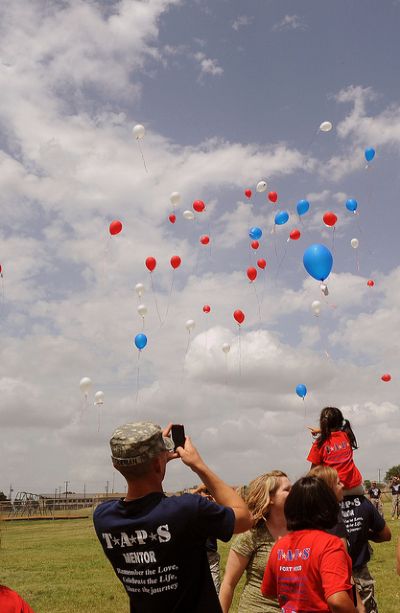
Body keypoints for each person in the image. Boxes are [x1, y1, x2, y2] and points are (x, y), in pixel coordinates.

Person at [93, 421, 252, 613]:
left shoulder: (104, 518)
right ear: (158, 465)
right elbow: (244, 518)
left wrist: (155, 461)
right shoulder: (187, 509)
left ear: (116, 465)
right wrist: (198, 465)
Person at [261, 476, 356, 613]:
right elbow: (338, 600)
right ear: (328, 506)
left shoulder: (280, 546)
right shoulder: (330, 545)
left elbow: (268, 591)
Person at [219, 470, 291, 612]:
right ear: (270, 498)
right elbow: (228, 583)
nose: (293, 492)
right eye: (287, 489)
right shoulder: (252, 535)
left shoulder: (301, 531)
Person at [340, 491, 391, 613]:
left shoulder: (321, 505)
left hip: (332, 575)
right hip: (359, 573)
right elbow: (386, 535)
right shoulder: (363, 502)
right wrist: (364, 533)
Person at [307, 406, 363, 494]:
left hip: (334, 489)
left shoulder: (319, 443)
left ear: (323, 422)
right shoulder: (346, 435)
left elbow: (313, 472)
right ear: (340, 422)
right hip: (356, 487)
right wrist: (320, 430)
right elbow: (340, 429)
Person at [191, 484, 221, 593]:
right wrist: (198, 491)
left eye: (208, 492)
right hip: (194, 554)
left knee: (215, 591)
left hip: (211, 555)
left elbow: (227, 509)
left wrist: (215, 500)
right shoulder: (191, 508)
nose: (206, 495)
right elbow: (181, 502)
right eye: (203, 492)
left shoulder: (214, 509)